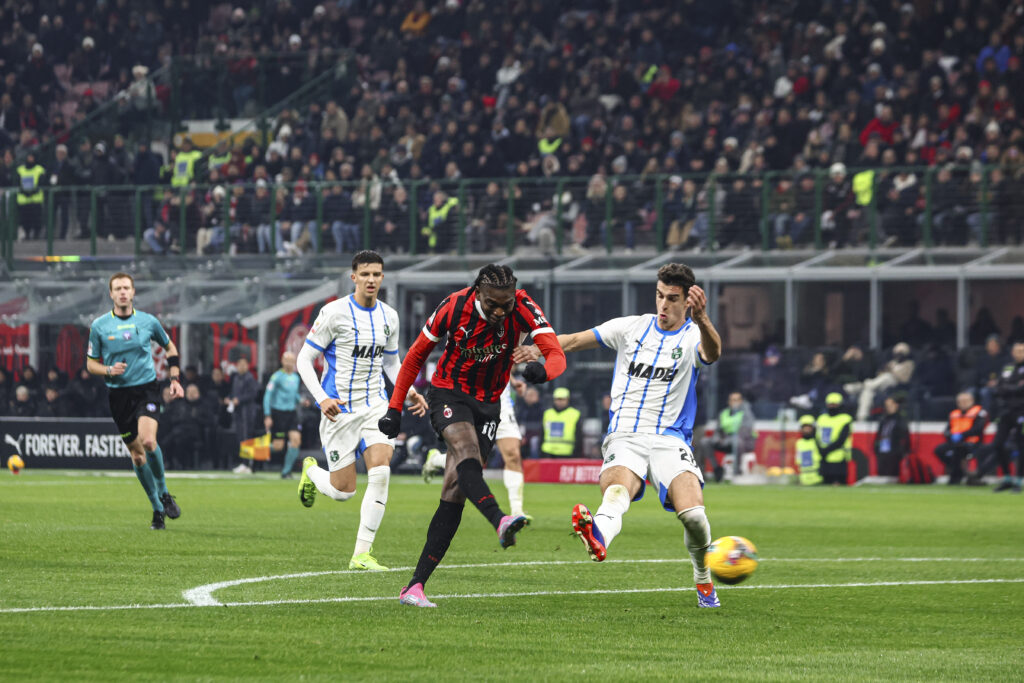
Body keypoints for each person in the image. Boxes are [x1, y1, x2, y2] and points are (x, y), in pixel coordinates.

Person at [518, 263, 724, 608]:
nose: (663, 304)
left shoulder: (693, 336)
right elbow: (575, 339)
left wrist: (703, 320)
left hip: (670, 438)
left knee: (694, 517)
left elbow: (713, 353)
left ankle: (703, 578)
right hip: (625, 435)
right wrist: (539, 348)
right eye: (659, 295)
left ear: (688, 301)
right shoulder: (631, 327)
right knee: (616, 493)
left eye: (672, 298)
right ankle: (597, 536)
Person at [379, 264, 566, 608]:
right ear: (478, 293)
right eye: (492, 304)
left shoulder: (524, 306)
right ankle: (500, 519)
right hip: (449, 393)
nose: (500, 312)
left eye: (506, 305)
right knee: (466, 452)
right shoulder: (453, 306)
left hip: (489, 404)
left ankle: (415, 586)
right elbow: (415, 356)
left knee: (455, 489)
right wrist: (394, 407)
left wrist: (543, 371)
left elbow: (556, 353)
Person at [295, 251, 428, 571]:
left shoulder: (389, 317)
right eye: (365, 274)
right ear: (353, 277)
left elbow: (391, 362)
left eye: (376, 274)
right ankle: (311, 471)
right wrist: (321, 398)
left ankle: (361, 554)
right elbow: (303, 359)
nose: (371, 280)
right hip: (338, 410)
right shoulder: (333, 313)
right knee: (343, 492)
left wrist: (408, 391)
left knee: (381, 471)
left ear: (382, 278)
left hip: (375, 406)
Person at [86, 272, 184, 529]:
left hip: (146, 389)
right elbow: (90, 364)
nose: (122, 292)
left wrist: (175, 379)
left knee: (149, 441)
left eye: (126, 288)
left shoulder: (148, 321)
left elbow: (170, 348)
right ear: (111, 294)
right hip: (119, 395)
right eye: (117, 288)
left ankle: (164, 493)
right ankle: (157, 509)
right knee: (138, 457)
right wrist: (108, 370)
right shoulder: (99, 326)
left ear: (133, 292)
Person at [422, 377, 533, 519]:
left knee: (513, 454)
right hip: (474, 397)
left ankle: (517, 511)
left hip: (502, 401)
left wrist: (512, 380)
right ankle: (436, 459)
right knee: (472, 463)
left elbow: (504, 362)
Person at [976, 341, 1024, 492]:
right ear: (1012, 352)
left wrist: (1008, 388)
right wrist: (1014, 388)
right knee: (997, 444)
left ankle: (1019, 481)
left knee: (1021, 446)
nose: (1019, 354)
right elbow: (998, 388)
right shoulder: (1007, 367)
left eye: (1022, 351)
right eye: (1017, 351)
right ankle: (1007, 478)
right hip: (1006, 411)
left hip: (1021, 412)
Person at [843, 342, 915, 420]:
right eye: (897, 352)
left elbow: (904, 378)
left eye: (901, 353)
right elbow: (879, 373)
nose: (898, 355)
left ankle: (863, 385)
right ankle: (862, 416)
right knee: (868, 391)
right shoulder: (892, 363)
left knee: (886, 377)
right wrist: (885, 370)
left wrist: (890, 371)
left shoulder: (909, 364)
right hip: (881, 385)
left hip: (895, 383)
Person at [698, 391, 756, 482]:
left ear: (741, 401)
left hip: (744, 443)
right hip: (725, 442)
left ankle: (737, 471)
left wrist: (728, 439)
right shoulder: (723, 413)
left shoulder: (747, 414)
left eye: (736, 400)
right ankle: (717, 469)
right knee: (705, 442)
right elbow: (718, 430)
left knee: (738, 442)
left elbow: (745, 432)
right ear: (729, 402)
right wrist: (717, 438)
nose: (734, 402)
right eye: (732, 400)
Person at [263, 351, 304, 478]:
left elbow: (294, 395)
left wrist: (301, 401)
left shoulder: (296, 377)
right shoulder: (276, 377)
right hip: (278, 414)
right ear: (282, 361)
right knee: (278, 446)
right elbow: (267, 396)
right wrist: (267, 415)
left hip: (291, 413)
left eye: (291, 360)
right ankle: (256, 452)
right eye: (287, 360)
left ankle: (286, 472)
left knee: (296, 440)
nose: (289, 363)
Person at [935, 391, 988, 485]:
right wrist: (949, 435)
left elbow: (978, 429)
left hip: (972, 442)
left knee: (959, 450)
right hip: (955, 441)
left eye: (965, 401)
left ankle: (956, 476)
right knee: (939, 450)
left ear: (972, 401)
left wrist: (962, 435)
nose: (963, 403)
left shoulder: (979, 412)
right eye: (960, 401)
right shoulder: (954, 413)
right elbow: (947, 429)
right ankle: (958, 470)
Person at [816, 392, 853, 485]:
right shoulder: (822, 418)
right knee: (825, 484)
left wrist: (826, 450)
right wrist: (821, 450)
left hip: (839, 457)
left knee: (838, 484)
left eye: (834, 404)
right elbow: (817, 437)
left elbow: (841, 439)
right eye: (830, 404)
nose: (832, 407)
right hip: (823, 457)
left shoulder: (845, 419)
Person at [873, 396, 910, 478]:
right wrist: (876, 447)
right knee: (882, 473)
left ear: (896, 405)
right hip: (883, 450)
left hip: (894, 451)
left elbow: (905, 436)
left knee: (892, 474)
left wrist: (904, 451)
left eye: (890, 405)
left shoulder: (900, 419)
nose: (888, 408)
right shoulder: (884, 419)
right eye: (887, 406)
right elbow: (879, 435)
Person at [541, 387, 583, 457]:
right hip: (548, 452)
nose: (559, 402)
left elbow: (579, 436)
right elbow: (542, 433)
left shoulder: (575, 414)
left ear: (568, 400)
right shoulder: (547, 414)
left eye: (562, 399)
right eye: (557, 399)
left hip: (567, 453)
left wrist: (576, 454)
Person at [795, 415, 823, 485]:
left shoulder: (818, 442)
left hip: (818, 477)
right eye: (805, 428)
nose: (807, 430)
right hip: (803, 478)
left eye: (809, 428)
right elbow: (798, 460)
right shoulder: (799, 443)